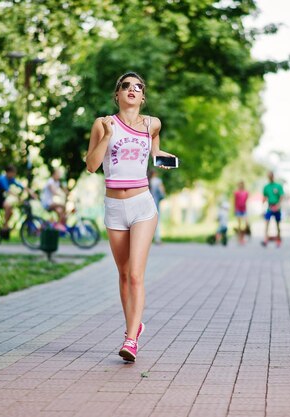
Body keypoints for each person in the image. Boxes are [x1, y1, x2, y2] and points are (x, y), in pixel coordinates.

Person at [86, 71, 176, 362]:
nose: (132, 90)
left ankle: (130, 339)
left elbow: (155, 150)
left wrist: (162, 158)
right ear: (117, 94)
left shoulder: (152, 124)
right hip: (114, 207)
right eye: (126, 86)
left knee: (136, 273)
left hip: (141, 205)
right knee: (123, 274)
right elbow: (91, 165)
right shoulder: (103, 124)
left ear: (143, 96)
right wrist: (108, 136)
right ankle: (134, 326)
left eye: (138, 87)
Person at [0, 165, 37, 236]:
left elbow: (20, 185)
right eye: (13, 173)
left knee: (11, 211)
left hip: (0, 196)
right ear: (8, 172)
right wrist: (18, 197)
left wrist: (30, 192)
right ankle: (5, 226)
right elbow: (8, 191)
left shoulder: (10, 179)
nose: (14, 175)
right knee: (8, 206)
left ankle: (5, 226)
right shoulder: (2, 179)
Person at [262, 171, 284, 247]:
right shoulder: (266, 187)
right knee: (267, 222)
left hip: (277, 207)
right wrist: (263, 201)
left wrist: (278, 205)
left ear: (273, 176)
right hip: (269, 207)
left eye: (271, 176)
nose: (270, 177)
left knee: (277, 224)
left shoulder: (278, 186)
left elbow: (281, 196)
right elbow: (265, 197)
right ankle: (265, 239)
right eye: (269, 176)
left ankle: (278, 239)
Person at [148, 169, 166, 244]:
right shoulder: (158, 181)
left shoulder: (147, 180)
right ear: (155, 173)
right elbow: (162, 192)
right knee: (156, 221)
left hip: (146, 203)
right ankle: (157, 239)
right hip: (155, 203)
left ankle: (146, 239)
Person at [234, 181, 249, 245]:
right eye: (239, 185)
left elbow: (246, 201)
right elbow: (234, 201)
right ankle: (239, 238)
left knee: (246, 224)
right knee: (239, 224)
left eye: (241, 184)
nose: (240, 186)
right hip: (238, 209)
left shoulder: (246, 192)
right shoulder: (236, 193)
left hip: (244, 209)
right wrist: (235, 209)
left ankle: (243, 236)